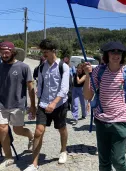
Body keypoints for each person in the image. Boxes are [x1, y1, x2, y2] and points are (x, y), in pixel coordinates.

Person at [83, 41, 126, 171]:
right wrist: (88, 75)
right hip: (101, 121)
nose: (116, 55)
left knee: (118, 160)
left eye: (119, 52)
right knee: (104, 162)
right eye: (113, 52)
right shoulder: (98, 71)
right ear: (107, 54)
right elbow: (88, 96)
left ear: (123, 55)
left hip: (120, 122)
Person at [24, 39, 70, 171]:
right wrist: (35, 105)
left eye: (46, 51)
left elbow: (64, 89)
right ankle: (34, 164)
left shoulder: (63, 67)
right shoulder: (42, 67)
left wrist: (54, 103)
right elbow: (39, 85)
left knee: (61, 129)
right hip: (43, 104)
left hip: (59, 104)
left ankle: (63, 150)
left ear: (53, 51)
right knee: (38, 131)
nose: (43, 54)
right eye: (42, 51)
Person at [0, 41, 36, 170]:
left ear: (12, 52)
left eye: (6, 52)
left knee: (17, 130)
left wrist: (33, 106)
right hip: (1, 105)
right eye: (1, 52)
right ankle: (8, 157)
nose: (3, 55)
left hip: (17, 104)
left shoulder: (23, 67)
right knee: (2, 129)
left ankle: (31, 137)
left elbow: (30, 87)